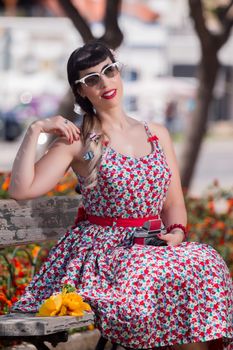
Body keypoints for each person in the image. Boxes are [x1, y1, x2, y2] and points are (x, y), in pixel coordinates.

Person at [9, 41, 233, 350]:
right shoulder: (82, 141)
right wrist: (35, 130)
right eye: (91, 79)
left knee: (207, 262)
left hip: (152, 248)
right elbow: (20, 189)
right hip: (106, 253)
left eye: (109, 71)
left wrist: (178, 232)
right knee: (159, 279)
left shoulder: (158, 134)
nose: (104, 83)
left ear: (119, 72)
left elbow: (173, 202)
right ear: (81, 92)